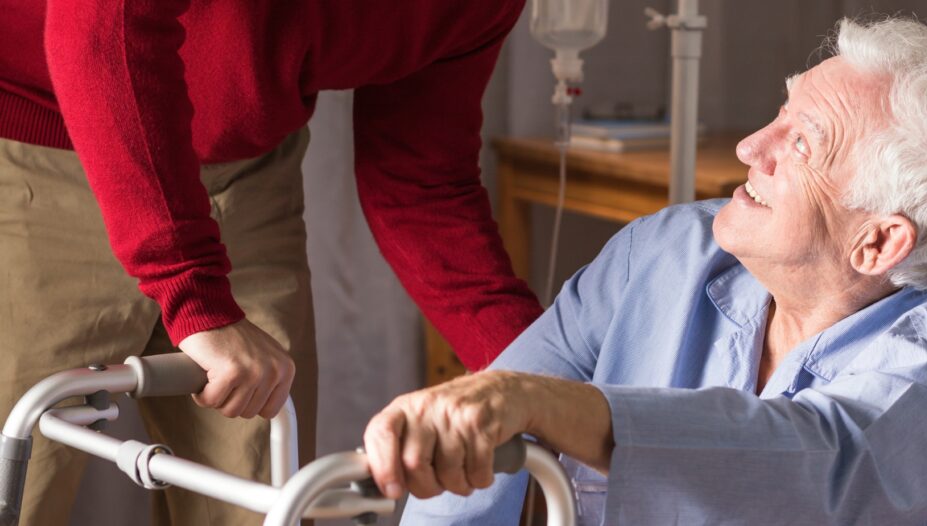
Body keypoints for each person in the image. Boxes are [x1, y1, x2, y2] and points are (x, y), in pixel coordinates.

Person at [363, 17, 927, 524]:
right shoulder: (666, 251)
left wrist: (539, 403)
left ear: (876, 243)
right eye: (780, 114)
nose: (748, 147)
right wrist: (492, 411)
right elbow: (483, 435)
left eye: (800, 143)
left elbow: (803, 464)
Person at [0, 0, 541, 524]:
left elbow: (423, 180)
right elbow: (99, 28)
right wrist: (191, 290)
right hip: (40, 145)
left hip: (245, 178)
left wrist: (545, 385)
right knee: (19, 484)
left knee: (262, 500)